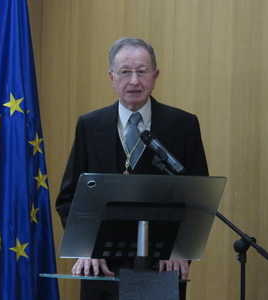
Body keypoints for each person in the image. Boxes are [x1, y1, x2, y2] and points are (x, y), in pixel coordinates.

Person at [56, 37, 209, 300]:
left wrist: (180, 249)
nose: (134, 81)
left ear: (155, 76)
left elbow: (199, 196)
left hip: (162, 263)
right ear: (112, 77)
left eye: (142, 71)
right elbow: (69, 198)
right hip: (101, 264)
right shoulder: (89, 126)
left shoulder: (183, 125)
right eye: (125, 72)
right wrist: (85, 247)